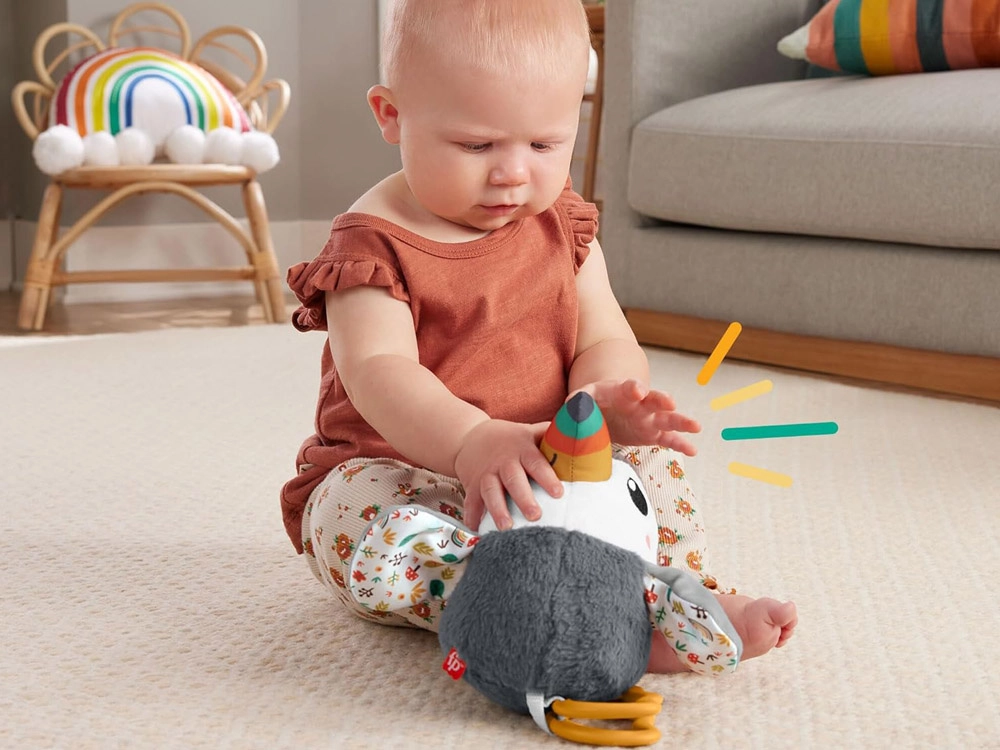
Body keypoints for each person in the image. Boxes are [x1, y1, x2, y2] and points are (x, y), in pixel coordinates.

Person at [281, 0, 796, 673]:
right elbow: (379, 371)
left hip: (557, 472)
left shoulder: (562, 223)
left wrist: (600, 402)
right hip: (421, 478)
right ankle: (511, 607)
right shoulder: (371, 249)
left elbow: (604, 335)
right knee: (350, 508)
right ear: (391, 115)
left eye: (545, 144)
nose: (513, 173)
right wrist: (472, 442)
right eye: (477, 146)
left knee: (650, 464)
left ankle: (669, 600)